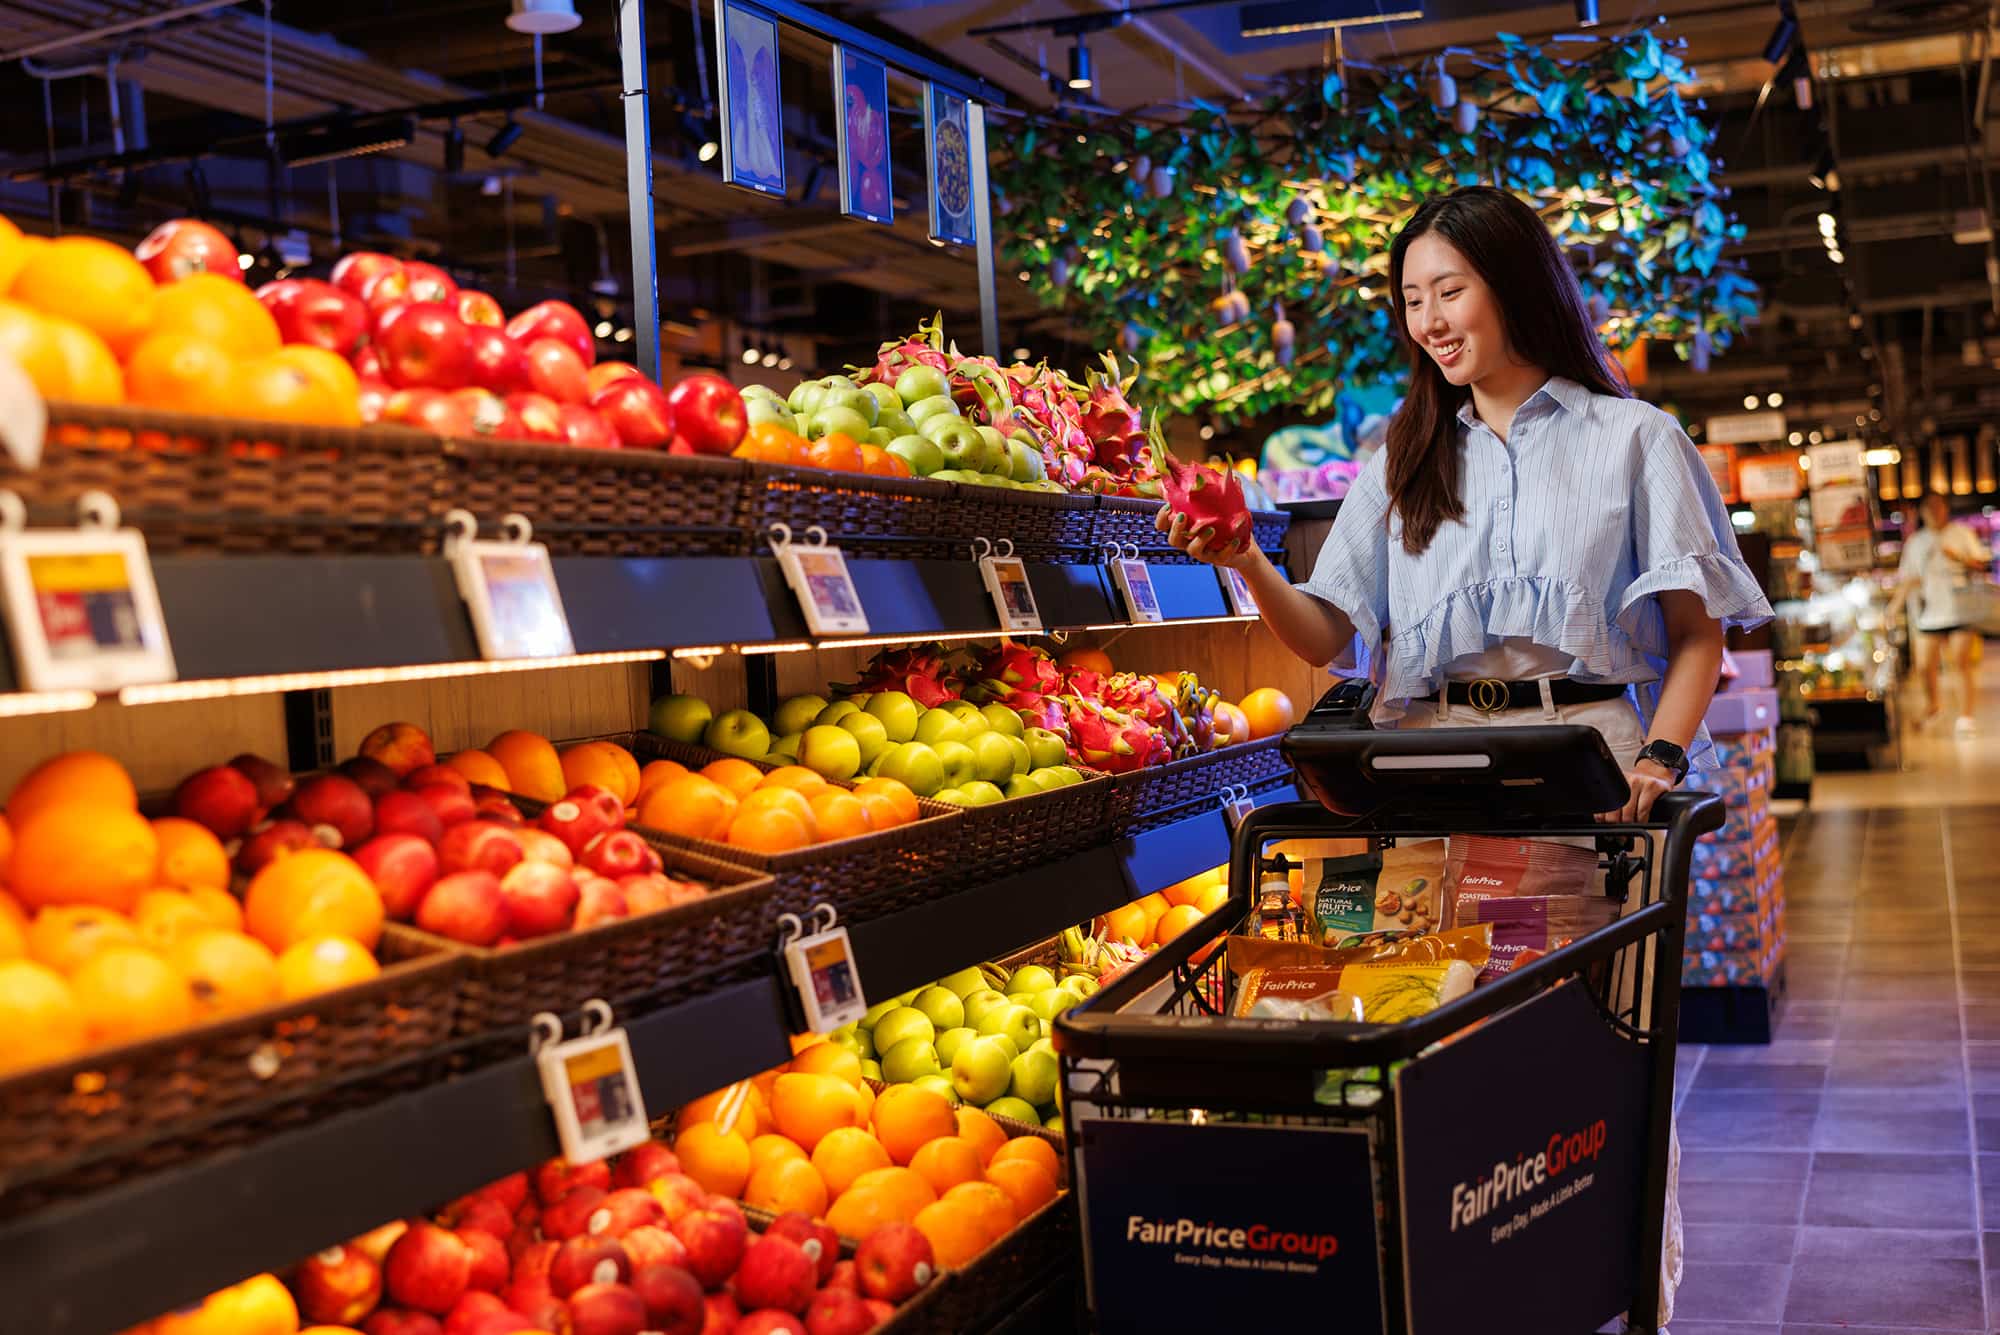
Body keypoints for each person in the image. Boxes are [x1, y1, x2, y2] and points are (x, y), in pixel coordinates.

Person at [1161, 184, 1774, 1329]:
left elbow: (1697, 638)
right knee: (1422, 1023)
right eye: (1410, 299)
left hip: (1580, 770)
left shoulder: (1630, 438)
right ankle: (1451, 1284)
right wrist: (1245, 559)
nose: (1429, 319)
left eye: (1450, 289)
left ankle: (1606, 1284)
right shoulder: (1400, 453)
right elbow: (1328, 637)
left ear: (1515, 284)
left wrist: (1658, 760)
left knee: (1585, 1044)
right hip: (1421, 769)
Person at [1887, 492, 1993, 737]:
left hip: (1961, 609)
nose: (1934, 511)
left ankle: (1966, 717)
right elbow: (1909, 578)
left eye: (1938, 506)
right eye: (1929, 507)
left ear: (1945, 508)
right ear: (1922, 512)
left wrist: (1959, 558)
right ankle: (1934, 705)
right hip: (1929, 611)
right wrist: (1894, 606)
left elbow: (1982, 564)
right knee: (1924, 666)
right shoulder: (1916, 541)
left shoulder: (1961, 533)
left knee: (1960, 663)